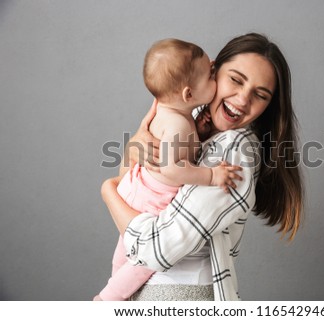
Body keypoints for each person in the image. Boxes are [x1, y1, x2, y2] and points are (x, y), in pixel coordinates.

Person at [100, 33, 305, 300]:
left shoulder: (234, 151)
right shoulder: (191, 117)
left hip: (179, 294)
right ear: (213, 71)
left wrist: (107, 191)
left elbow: (154, 248)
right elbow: (133, 185)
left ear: (269, 106)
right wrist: (135, 147)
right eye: (235, 80)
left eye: (260, 95)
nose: (242, 100)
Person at [95, 39, 242, 301]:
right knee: (142, 262)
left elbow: (177, 148)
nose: (214, 74)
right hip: (153, 198)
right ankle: (107, 300)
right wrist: (212, 175)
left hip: (137, 184)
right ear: (188, 95)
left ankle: (115, 288)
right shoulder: (178, 124)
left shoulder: (171, 110)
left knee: (125, 252)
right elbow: (173, 169)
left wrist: (199, 130)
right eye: (210, 75)